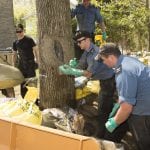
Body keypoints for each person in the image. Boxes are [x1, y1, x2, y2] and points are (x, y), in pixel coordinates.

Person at [59, 31, 128, 143]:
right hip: (105, 81)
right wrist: (74, 65)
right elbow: (81, 64)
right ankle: (108, 129)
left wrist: (73, 71)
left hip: (109, 82)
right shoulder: (87, 52)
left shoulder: (96, 53)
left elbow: (88, 73)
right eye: (77, 42)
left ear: (87, 40)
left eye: (79, 41)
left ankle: (103, 137)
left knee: (103, 110)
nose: (78, 44)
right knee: (106, 107)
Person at [96, 43, 150, 150]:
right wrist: (120, 103)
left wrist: (114, 122)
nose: (103, 63)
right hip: (142, 101)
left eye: (103, 59)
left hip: (143, 111)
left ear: (111, 57)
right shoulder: (127, 60)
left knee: (143, 143)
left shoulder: (123, 71)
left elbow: (126, 109)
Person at [12, 24, 39, 98]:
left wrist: (37, 60)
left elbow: (36, 50)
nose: (19, 33)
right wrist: (13, 65)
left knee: (32, 83)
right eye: (17, 32)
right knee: (22, 83)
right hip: (21, 65)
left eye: (20, 31)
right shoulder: (15, 42)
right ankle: (24, 99)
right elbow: (14, 54)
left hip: (30, 64)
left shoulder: (29, 39)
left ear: (23, 31)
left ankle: (35, 101)